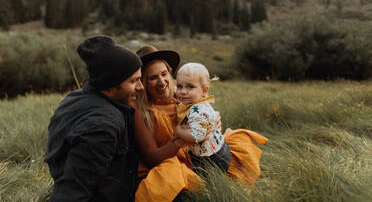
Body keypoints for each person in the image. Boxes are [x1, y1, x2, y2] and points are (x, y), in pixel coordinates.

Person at [134, 45, 268, 202]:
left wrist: (213, 122)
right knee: (172, 180)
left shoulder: (180, 98)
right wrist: (178, 140)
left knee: (238, 147)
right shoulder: (142, 111)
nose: (161, 81)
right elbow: (151, 157)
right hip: (170, 162)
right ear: (143, 82)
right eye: (153, 77)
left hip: (198, 155)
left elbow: (201, 113)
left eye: (164, 74)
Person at [45, 35, 144, 202]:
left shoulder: (76, 97)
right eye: (133, 81)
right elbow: (72, 192)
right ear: (111, 83)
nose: (141, 87)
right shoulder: (102, 127)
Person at [175, 62, 231, 174]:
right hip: (220, 149)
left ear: (204, 90)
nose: (183, 91)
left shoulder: (196, 111)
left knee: (204, 181)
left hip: (210, 158)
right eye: (179, 86)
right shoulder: (201, 102)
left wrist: (178, 132)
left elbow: (198, 135)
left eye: (190, 87)